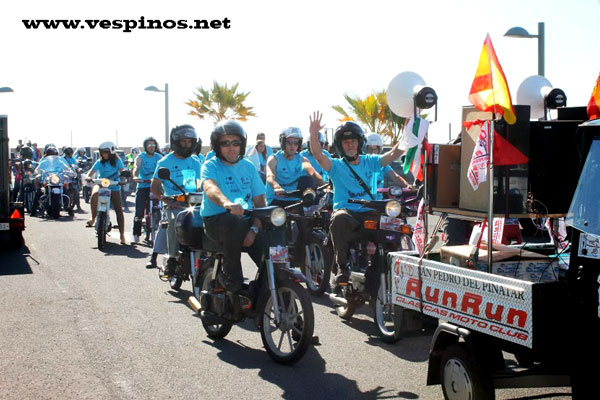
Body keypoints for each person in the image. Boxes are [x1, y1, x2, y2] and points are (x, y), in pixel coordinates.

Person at [308, 112, 404, 284]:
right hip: (349, 214)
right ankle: (342, 267)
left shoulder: (372, 161)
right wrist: (313, 133)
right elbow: (318, 155)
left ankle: (393, 267)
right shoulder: (336, 165)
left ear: (360, 143)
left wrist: (408, 133)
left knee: (397, 224)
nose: (350, 145)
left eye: (353, 141)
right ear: (340, 145)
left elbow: (395, 153)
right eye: (346, 142)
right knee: (339, 219)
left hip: (371, 212)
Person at [200, 120, 267, 295]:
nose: (232, 148)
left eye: (236, 143)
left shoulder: (249, 167)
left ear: (242, 145)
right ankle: (231, 279)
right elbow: (210, 187)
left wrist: (253, 229)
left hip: (245, 221)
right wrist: (226, 203)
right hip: (217, 221)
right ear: (217, 146)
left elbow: (260, 202)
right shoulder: (210, 166)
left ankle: (268, 287)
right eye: (225, 143)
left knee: (273, 238)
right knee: (232, 221)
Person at [151, 125, 202, 277]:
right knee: (175, 221)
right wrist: (166, 199)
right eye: (183, 141)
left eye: (189, 141)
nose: (186, 145)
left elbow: (200, 184)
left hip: (194, 203)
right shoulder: (165, 162)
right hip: (174, 204)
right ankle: (172, 259)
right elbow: (155, 186)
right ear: (175, 142)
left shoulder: (195, 161)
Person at [265, 127, 324, 206]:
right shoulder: (274, 159)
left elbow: (313, 173)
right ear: (283, 143)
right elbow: (270, 176)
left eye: (296, 143)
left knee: (308, 180)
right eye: (289, 142)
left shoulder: (302, 159)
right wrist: (276, 186)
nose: (292, 146)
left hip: (295, 201)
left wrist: (324, 186)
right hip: (276, 200)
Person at [85, 141, 127, 244]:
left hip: (114, 186)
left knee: (119, 210)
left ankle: (122, 234)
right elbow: (90, 172)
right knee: (94, 195)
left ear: (112, 152)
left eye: (106, 152)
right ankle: (94, 218)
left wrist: (122, 179)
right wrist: (88, 177)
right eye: (102, 152)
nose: (104, 154)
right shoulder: (99, 162)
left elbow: (122, 172)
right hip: (101, 184)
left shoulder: (118, 161)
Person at [132, 137, 163, 244]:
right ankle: (136, 234)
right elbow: (136, 167)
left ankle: (159, 233)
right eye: (149, 145)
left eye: (153, 145)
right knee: (139, 211)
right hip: (142, 186)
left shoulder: (159, 157)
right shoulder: (141, 156)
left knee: (158, 209)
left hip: (155, 186)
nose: (151, 147)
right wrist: (136, 177)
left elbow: (163, 169)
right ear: (145, 146)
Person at [365, 133, 414, 198]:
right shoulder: (360, 162)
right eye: (370, 149)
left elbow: (395, 177)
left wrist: (407, 186)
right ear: (365, 149)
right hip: (362, 201)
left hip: (376, 202)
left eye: (375, 149)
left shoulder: (381, 163)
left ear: (379, 150)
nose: (373, 152)